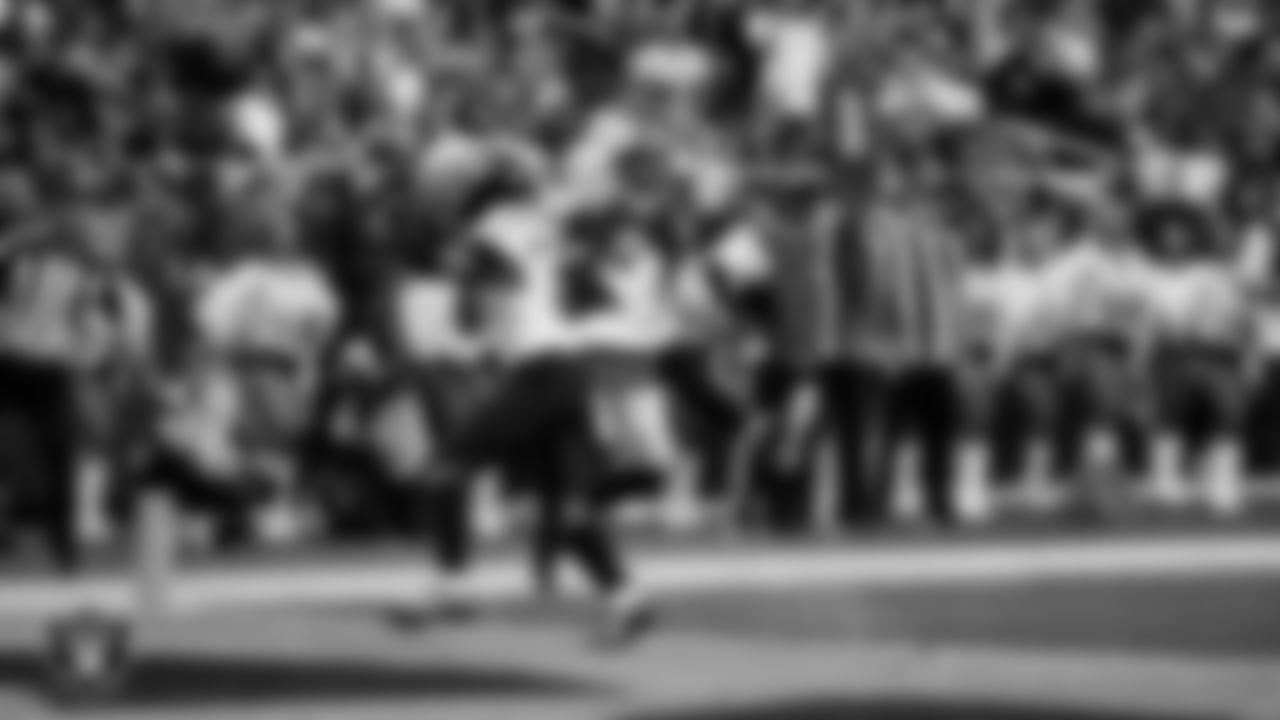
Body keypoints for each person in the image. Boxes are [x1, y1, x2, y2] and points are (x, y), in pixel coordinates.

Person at [415, 195, 655, 647]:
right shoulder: (533, 233)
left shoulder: (494, 229)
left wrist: (464, 268)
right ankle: (630, 602)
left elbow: (495, 270)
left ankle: (455, 588)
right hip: (562, 370)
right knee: (567, 513)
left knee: (444, 472)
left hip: (542, 372)